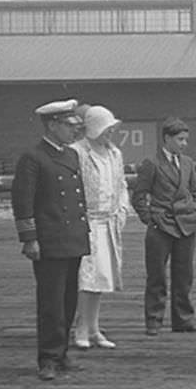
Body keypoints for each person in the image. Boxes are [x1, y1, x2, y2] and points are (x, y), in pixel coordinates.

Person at [12, 99, 90, 382]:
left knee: (69, 300)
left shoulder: (71, 156)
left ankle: (62, 353)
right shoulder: (33, 158)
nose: (75, 132)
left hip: (72, 240)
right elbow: (23, 202)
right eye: (70, 126)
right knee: (50, 302)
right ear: (52, 125)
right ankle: (47, 357)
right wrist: (29, 239)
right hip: (49, 241)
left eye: (76, 126)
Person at [132, 117, 196, 336]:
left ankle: (183, 319)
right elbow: (139, 196)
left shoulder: (189, 163)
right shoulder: (151, 164)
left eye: (185, 140)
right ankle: (153, 320)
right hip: (161, 227)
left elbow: (195, 192)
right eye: (180, 139)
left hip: (186, 227)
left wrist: (194, 211)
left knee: (184, 275)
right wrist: (149, 219)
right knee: (157, 276)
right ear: (167, 139)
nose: (183, 144)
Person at [70, 105, 129, 350]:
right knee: (86, 279)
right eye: (106, 129)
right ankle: (80, 328)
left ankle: (94, 327)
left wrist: (122, 210)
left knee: (101, 278)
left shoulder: (114, 153)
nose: (110, 134)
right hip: (87, 223)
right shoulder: (77, 152)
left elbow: (122, 184)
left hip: (109, 223)